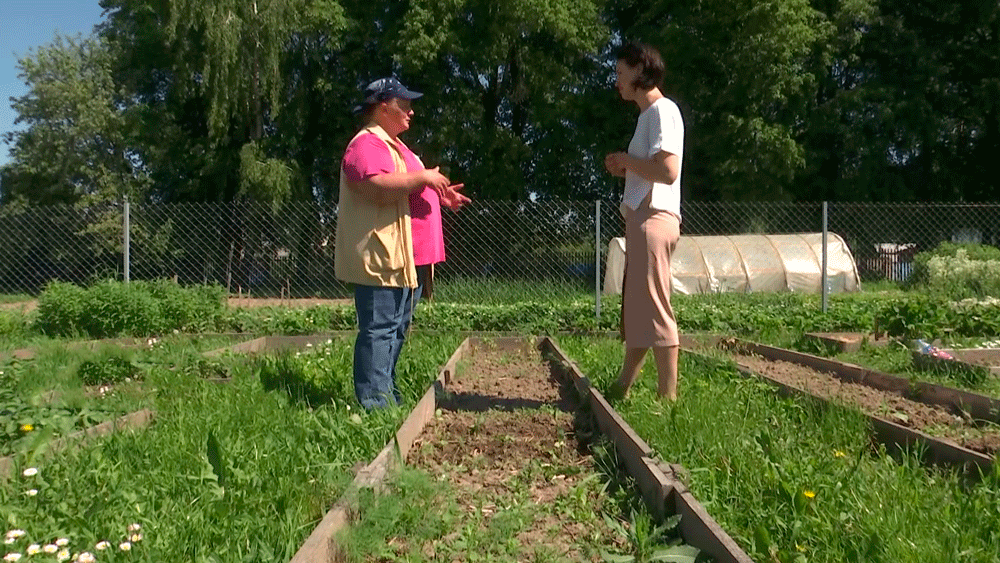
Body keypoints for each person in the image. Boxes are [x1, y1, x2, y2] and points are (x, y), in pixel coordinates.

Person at [335, 77, 470, 409]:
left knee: (395, 330)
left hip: (406, 258)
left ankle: (385, 392)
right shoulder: (366, 144)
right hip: (384, 255)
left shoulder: (395, 145)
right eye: (404, 104)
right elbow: (376, 186)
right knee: (380, 329)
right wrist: (424, 178)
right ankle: (374, 402)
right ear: (384, 107)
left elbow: (403, 187)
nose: (411, 111)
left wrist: (439, 195)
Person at [603, 42, 684, 401]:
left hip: (654, 219)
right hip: (642, 219)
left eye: (621, 73)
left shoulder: (663, 111)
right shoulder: (646, 117)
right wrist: (625, 167)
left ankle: (668, 401)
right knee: (637, 312)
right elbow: (650, 170)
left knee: (655, 308)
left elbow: (668, 171)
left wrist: (625, 159)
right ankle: (622, 387)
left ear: (640, 70)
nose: (616, 81)